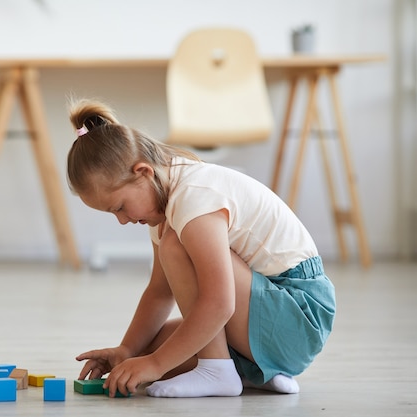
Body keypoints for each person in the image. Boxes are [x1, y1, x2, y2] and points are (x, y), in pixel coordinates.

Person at [67, 98, 335, 398]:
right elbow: (159, 292)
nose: (122, 220)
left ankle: (217, 370)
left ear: (143, 172)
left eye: (120, 207)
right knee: (147, 352)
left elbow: (220, 303)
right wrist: (127, 350)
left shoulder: (194, 198)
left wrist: (156, 364)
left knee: (173, 253)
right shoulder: (164, 204)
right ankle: (251, 372)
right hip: (268, 314)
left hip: (298, 317)